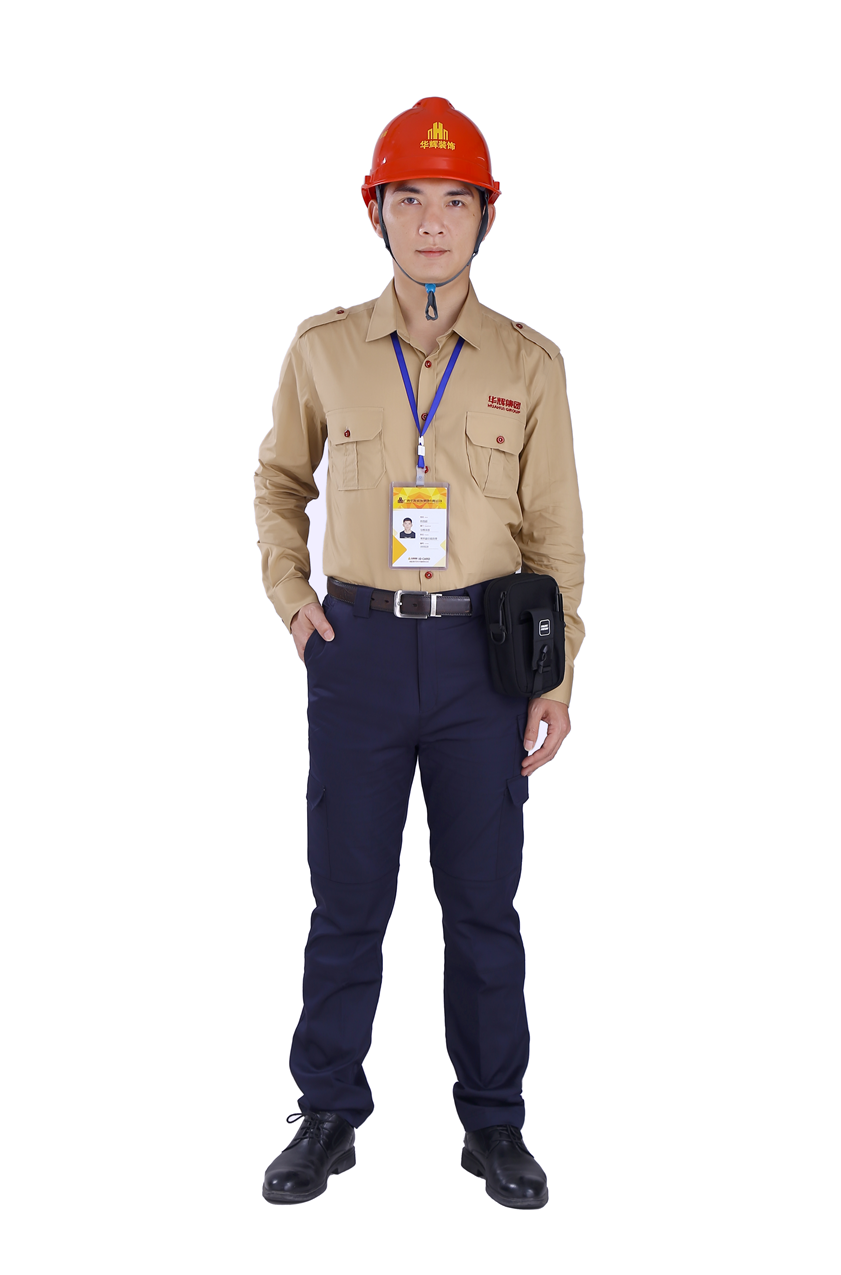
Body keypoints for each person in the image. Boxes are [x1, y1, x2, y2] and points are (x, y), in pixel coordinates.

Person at [254, 96, 584, 1210]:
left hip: (482, 664)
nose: (431, 221)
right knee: (346, 899)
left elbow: (556, 535)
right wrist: (293, 600)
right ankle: (327, 1113)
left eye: (454, 200)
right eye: (408, 198)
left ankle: (494, 1122)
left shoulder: (530, 364)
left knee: (483, 905)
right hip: (354, 654)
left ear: (486, 216)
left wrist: (555, 673)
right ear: (376, 212)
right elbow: (278, 483)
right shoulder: (323, 350)